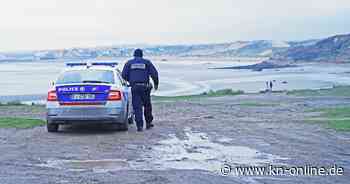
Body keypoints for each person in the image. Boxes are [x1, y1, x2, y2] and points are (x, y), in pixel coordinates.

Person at [122, 49, 159, 132]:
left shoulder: (129, 63)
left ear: (134, 55)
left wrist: (131, 80)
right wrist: (156, 84)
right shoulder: (147, 62)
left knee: (137, 106)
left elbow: (123, 75)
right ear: (142, 55)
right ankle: (148, 123)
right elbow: (154, 74)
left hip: (135, 87)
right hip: (145, 87)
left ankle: (140, 126)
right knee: (147, 105)